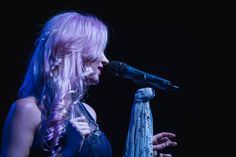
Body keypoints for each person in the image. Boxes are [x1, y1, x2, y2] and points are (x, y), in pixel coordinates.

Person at [0, 11, 177, 157]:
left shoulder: (89, 112)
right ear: (72, 52)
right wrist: (70, 150)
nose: (105, 60)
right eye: (98, 51)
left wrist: (139, 150)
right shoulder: (28, 110)